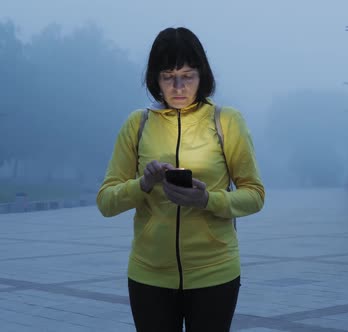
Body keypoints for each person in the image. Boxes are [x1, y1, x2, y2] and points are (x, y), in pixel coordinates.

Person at [96, 27, 265, 332]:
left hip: (215, 272)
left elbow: (255, 195)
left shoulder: (226, 121)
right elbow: (106, 202)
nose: (177, 87)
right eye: (167, 76)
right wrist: (142, 185)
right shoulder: (137, 124)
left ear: (203, 76)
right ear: (154, 79)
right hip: (149, 275)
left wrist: (207, 200)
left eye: (187, 75)